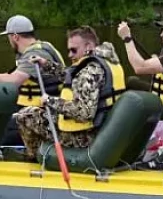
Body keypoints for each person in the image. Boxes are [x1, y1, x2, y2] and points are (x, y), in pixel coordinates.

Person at [15, 26, 125, 161]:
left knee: (25, 116)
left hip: (84, 137)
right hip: (102, 129)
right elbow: (72, 75)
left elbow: (84, 112)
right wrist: (46, 64)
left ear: (88, 46)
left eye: (74, 50)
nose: (70, 55)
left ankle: (38, 159)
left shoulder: (88, 72)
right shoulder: (106, 61)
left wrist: (50, 101)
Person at [0, 15, 65, 145]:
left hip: (44, 114)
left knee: (0, 131)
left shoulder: (34, 55)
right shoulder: (42, 47)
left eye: (8, 37)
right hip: (36, 110)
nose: (9, 41)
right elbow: (12, 74)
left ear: (15, 37)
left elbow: (14, 80)